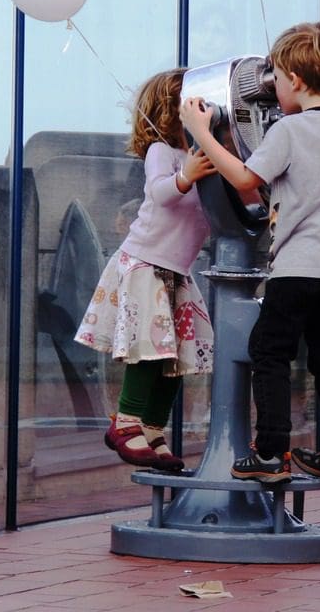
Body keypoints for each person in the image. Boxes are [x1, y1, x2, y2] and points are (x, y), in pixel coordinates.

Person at [181, 21, 320, 497]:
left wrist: (201, 133)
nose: (272, 90)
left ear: (299, 82)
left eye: (278, 80)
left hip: (300, 267)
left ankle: (270, 454)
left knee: (271, 353)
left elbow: (246, 179)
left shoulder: (289, 131)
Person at [74, 68, 217, 472]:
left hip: (176, 271)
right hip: (147, 265)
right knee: (151, 350)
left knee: (177, 357)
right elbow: (159, 193)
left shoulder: (202, 156)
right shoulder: (162, 152)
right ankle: (126, 421)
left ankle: (154, 426)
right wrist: (186, 176)